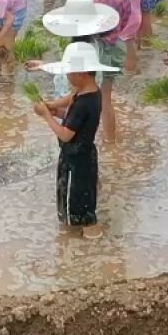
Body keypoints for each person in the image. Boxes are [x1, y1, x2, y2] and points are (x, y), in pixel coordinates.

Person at [33, 41, 118, 238]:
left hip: (77, 157)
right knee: (79, 195)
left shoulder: (84, 103)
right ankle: (81, 248)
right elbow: (71, 111)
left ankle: (92, 238)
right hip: (82, 153)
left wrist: (47, 115)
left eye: (69, 72)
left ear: (80, 73)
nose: (67, 76)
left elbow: (65, 134)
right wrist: (55, 109)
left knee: (81, 201)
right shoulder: (90, 92)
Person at [65, 0, 139, 145]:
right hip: (115, 47)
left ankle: (106, 138)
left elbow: (105, 28)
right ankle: (110, 140)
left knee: (99, 97)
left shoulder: (114, 1)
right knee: (106, 97)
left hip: (105, 49)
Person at [28, 0, 120, 102]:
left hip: (70, 106)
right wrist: (44, 65)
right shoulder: (93, 45)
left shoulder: (80, 51)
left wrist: (49, 107)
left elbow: (74, 94)